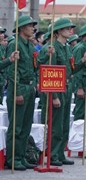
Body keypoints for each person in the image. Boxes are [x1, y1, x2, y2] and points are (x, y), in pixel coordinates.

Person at [38, 18, 86, 166]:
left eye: (71, 28)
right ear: (59, 31)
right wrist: (53, 96)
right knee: (55, 125)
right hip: (55, 89)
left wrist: (83, 61)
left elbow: (71, 69)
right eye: (67, 28)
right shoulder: (51, 47)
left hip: (66, 87)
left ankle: (60, 153)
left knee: (64, 124)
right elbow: (48, 72)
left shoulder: (66, 47)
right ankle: (53, 155)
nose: (70, 31)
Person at [5, 16, 36, 170]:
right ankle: (12, 159)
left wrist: (34, 85)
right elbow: (12, 69)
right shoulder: (14, 44)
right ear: (22, 28)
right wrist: (17, 91)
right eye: (30, 25)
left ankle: (21, 156)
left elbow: (33, 67)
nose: (33, 28)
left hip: (29, 87)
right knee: (16, 127)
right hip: (19, 87)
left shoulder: (29, 46)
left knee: (26, 126)